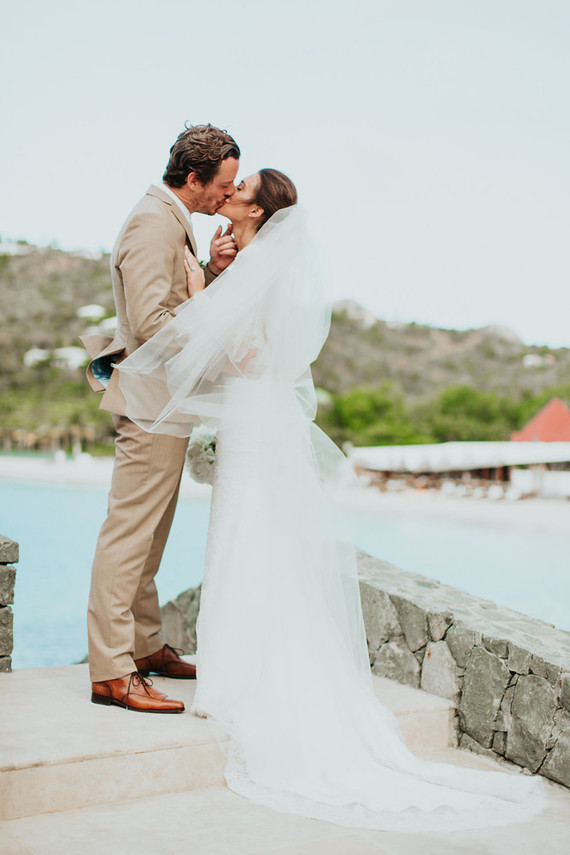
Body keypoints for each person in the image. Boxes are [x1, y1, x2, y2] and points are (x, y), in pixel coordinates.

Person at [116, 169, 545, 830]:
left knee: (244, 541)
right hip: (255, 423)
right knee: (252, 543)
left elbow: (248, 357)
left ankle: (238, 683)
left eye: (243, 188)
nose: (231, 192)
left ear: (260, 210)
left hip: (253, 421)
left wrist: (203, 285)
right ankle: (238, 672)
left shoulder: (257, 268)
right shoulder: (260, 263)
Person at [81, 124, 240, 714]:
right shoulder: (154, 222)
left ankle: (144, 648)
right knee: (127, 538)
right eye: (222, 186)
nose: (227, 196)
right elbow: (152, 321)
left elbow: (177, 300)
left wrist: (213, 274)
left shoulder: (178, 221)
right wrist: (209, 311)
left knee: (151, 538)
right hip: (149, 404)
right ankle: (112, 672)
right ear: (194, 178)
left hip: (167, 405)